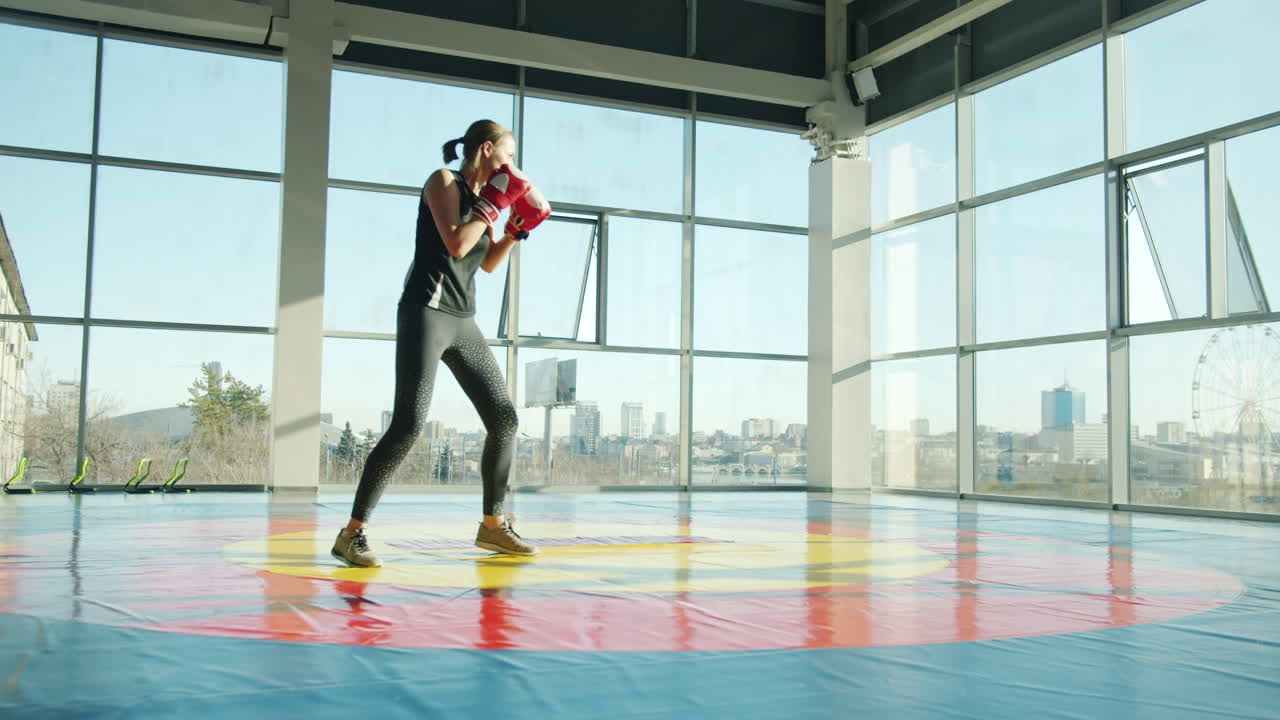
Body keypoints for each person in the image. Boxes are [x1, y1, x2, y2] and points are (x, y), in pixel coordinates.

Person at [331, 120, 551, 567]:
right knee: (409, 424)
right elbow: (455, 242)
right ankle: (351, 533)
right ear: (487, 150)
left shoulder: (483, 201)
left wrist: (517, 229)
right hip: (426, 312)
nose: (511, 167)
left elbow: (485, 262)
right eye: (507, 156)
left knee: (504, 419)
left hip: (462, 319)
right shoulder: (443, 181)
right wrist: (495, 204)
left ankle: (493, 527)